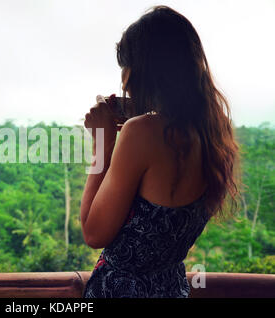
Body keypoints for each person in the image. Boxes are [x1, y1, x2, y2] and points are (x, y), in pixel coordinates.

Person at [81, 5, 240, 298]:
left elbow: (93, 232)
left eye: (125, 68)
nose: (124, 80)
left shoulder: (141, 133)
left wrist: (102, 141)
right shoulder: (213, 132)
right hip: (171, 288)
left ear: (141, 71)